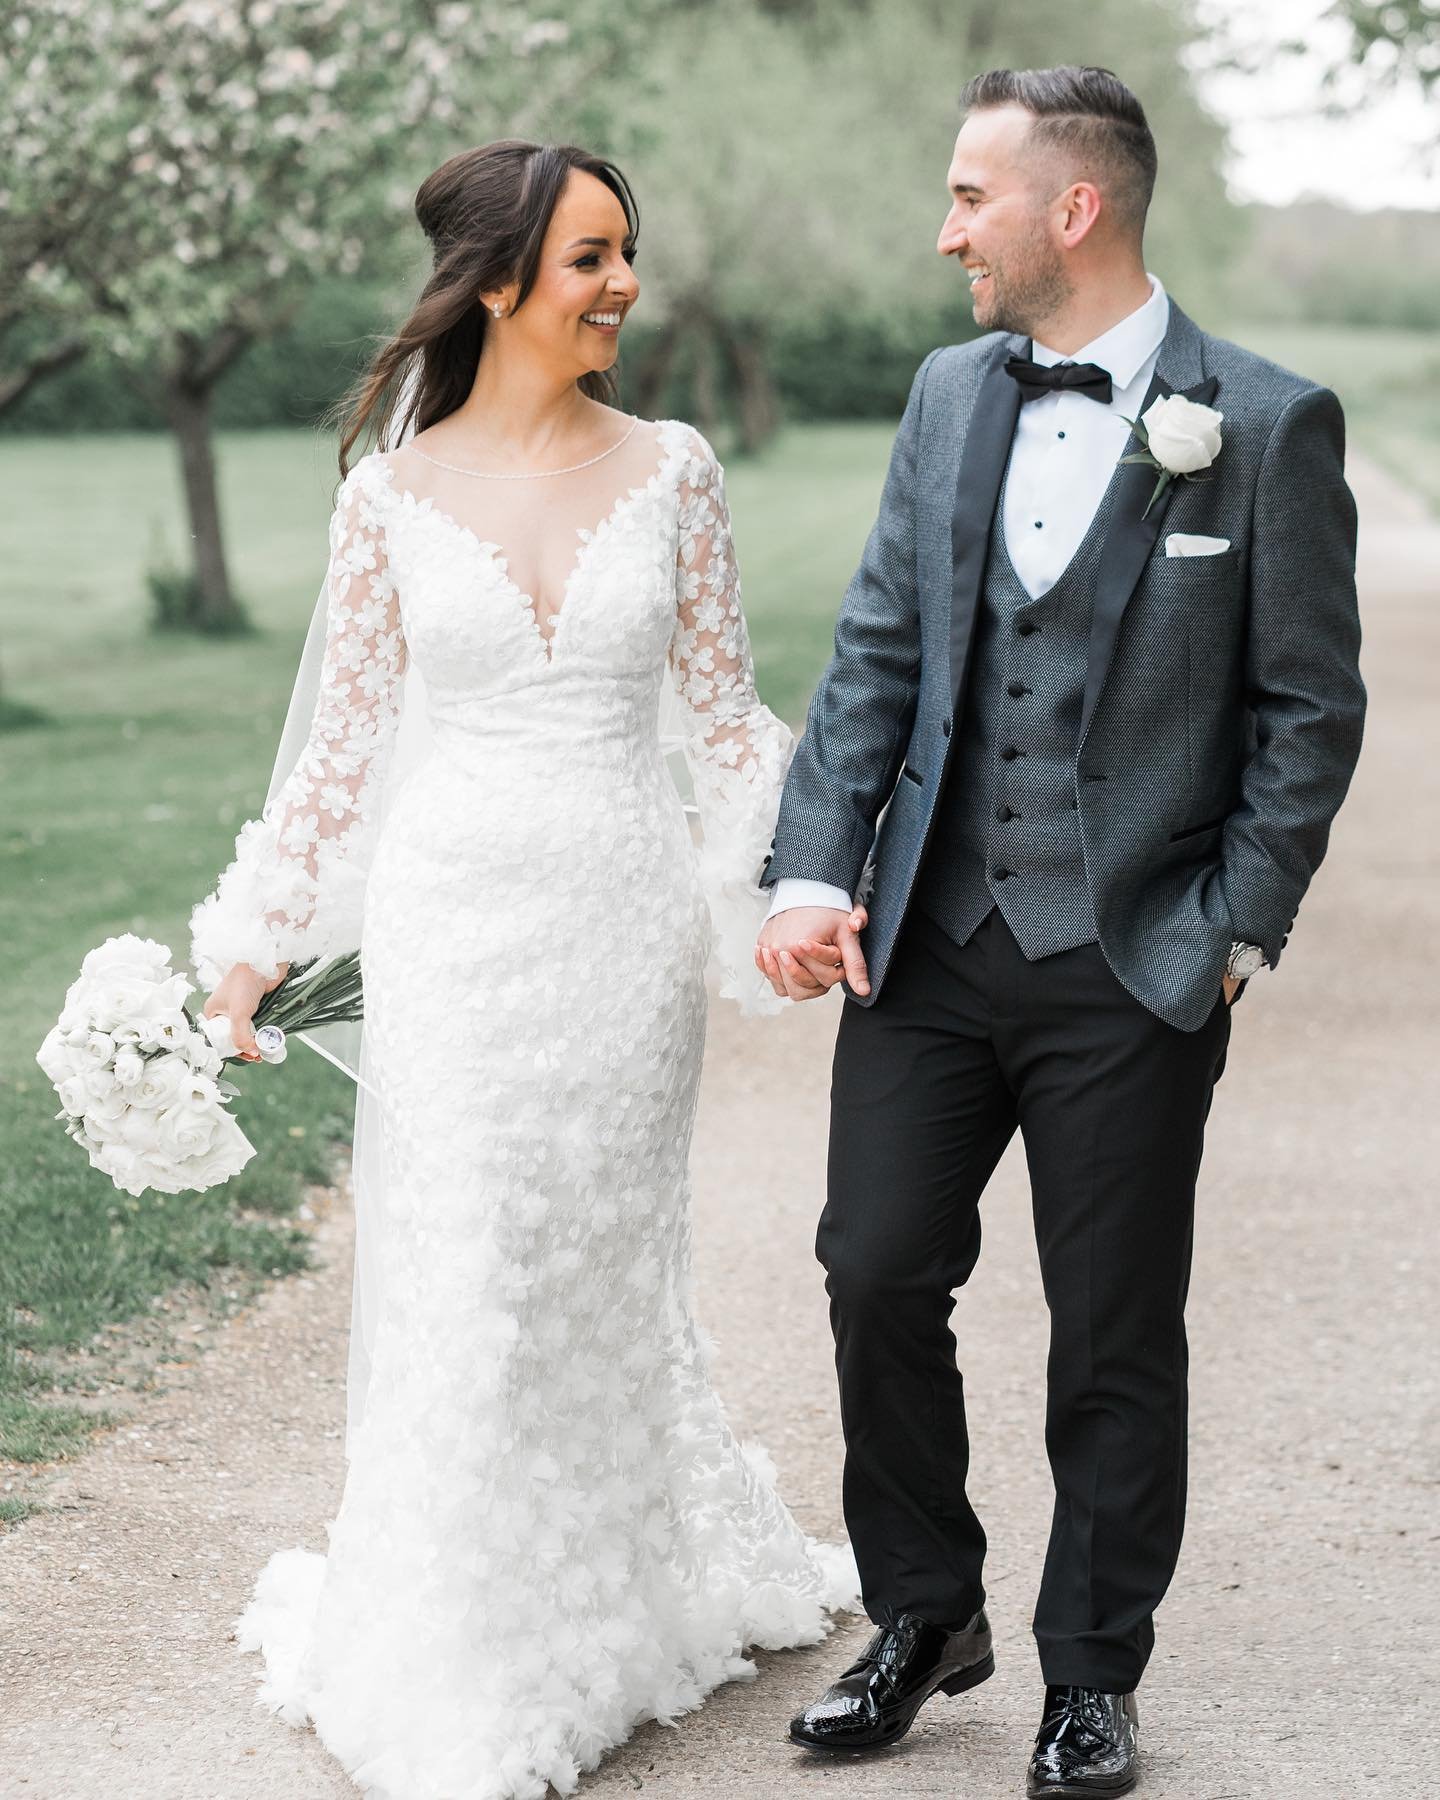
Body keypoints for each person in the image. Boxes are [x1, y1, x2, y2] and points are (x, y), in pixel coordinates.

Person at [192, 139, 856, 1800]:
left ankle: (610, 1590)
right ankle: (463, 1648)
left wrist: (793, 890)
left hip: (620, 930)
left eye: (627, 250)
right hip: (454, 933)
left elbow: (723, 723)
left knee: (598, 1256)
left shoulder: (677, 469)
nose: (625, 282)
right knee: (469, 1253)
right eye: (590, 258)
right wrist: (253, 947)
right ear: (498, 283)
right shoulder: (388, 504)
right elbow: (335, 763)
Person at [756, 65, 1365, 1798]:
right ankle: (925, 1614)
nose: (947, 228)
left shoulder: (1265, 419)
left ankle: (1093, 1675)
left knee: (1110, 1327)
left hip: (1134, 958)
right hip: (932, 939)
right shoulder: (951, 392)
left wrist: (1237, 924)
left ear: (1070, 209)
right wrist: (815, 870)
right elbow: (881, 642)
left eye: (970, 196)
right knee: (872, 1264)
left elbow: (1309, 709)